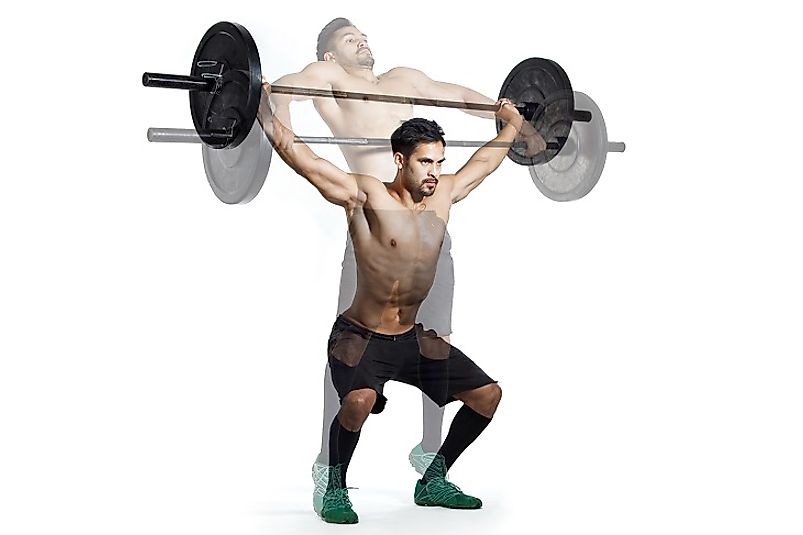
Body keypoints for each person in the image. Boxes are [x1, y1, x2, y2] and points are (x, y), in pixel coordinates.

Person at [268, 18, 544, 510]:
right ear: (400, 162)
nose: (436, 173)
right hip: (367, 294)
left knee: (471, 375)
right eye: (425, 163)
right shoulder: (357, 167)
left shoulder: (441, 181)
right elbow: (302, 147)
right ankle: (331, 475)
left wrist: (514, 125)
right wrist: (270, 113)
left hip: (416, 304)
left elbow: (483, 148)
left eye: (440, 162)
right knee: (356, 398)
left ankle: (431, 471)